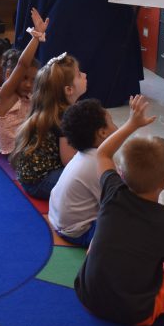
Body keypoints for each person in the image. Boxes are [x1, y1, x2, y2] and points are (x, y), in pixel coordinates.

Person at [74, 96, 164, 326]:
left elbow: (103, 154)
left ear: (122, 174)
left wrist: (131, 125)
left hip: (87, 295)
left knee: (102, 240)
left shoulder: (112, 191)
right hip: (134, 312)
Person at [9, 52, 87, 200]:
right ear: (69, 90)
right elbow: (69, 160)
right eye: (79, 74)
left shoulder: (50, 109)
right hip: (41, 182)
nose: (84, 75)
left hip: (28, 178)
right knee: (89, 175)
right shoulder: (64, 115)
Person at [49, 98, 114, 246]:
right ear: (103, 132)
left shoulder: (86, 154)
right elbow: (114, 204)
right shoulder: (96, 163)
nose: (116, 126)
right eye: (112, 121)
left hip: (58, 219)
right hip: (78, 231)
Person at [0, 8, 47, 157]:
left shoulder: (27, 95)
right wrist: (36, 36)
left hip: (28, 147)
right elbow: (23, 64)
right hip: (18, 155)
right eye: (24, 78)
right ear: (10, 75)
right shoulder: (4, 97)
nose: (29, 85)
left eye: (33, 80)